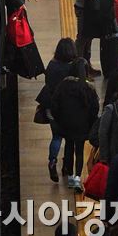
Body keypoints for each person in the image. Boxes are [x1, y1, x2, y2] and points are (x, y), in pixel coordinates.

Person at [50, 58, 100, 190]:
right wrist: (90, 122)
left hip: (66, 124)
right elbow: (94, 108)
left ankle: (70, 176)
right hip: (82, 126)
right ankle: (78, 177)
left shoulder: (63, 85)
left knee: (68, 147)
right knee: (79, 151)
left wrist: (59, 119)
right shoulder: (88, 88)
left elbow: (54, 104)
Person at [44, 38, 77, 183]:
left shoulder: (51, 65)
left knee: (56, 137)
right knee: (70, 140)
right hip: (69, 110)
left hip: (52, 108)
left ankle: (52, 161)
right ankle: (66, 167)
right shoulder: (72, 68)